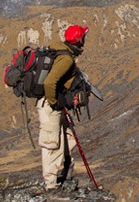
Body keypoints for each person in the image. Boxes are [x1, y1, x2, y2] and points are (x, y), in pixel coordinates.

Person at [36, 24, 89, 192]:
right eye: (83, 37)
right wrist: (55, 102)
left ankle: (65, 171)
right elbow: (49, 82)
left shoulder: (61, 49)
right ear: (79, 40)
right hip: (49, 106)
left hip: (51, 103)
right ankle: (51, 187)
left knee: (67, 136)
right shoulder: (66, 59)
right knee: (52, 144)